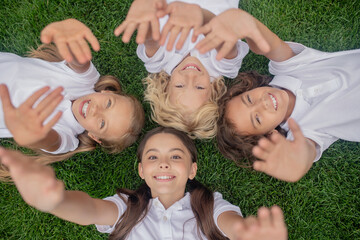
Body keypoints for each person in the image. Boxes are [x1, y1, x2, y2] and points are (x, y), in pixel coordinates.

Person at [0, 127, 288, 240]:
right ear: (141, 170)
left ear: (192, 169)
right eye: (153, 157)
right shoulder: (128, 208)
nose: (164, 163)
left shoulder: (210, 205)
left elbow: (234, 226)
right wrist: (56, 202)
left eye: (176, 156)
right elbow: (90, 209)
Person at [195, 9, 360, 182]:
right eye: (257, 119)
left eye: (249, 99)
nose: (262, 103)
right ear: (269, 134)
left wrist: (247, 24)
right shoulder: (301, 132)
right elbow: (305, 152)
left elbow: (269, 44)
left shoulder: (287, 68)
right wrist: (298, 162)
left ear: (249, 89)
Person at [0, 19, 145, 180]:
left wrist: (35, 136)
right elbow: (79, 60)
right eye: (108, 103)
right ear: (106, 92)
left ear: (94, 136)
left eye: (102, 123)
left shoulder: (68, 137)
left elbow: (51, 142)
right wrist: (71, 39)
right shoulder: (85, 81)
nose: (96, 110)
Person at [115, 0, 250, 139]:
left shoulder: (159, 62)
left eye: (180, 85)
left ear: (166, 87)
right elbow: (222, 32)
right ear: (213, 92)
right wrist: (201, 16)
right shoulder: (223, 66)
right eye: (199, 87)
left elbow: (150, 37)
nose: (190, 76)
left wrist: (146, 15)